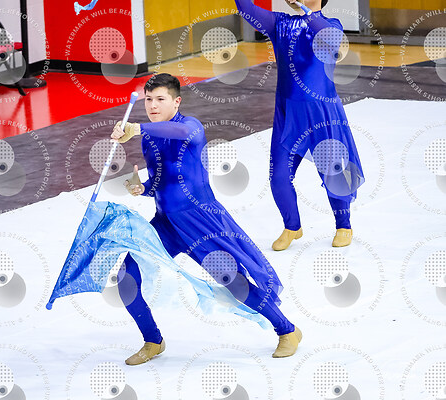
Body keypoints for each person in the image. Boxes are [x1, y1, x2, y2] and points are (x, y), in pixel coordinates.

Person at [111, 73, 301, 365]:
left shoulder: (191, 127)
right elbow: (162, 181)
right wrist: (143, 188)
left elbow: (179, 133)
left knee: (234, 283)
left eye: (160, 99)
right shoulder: (149, 138)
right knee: (126, 278)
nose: (152, 105)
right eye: (148, 99)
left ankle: (287, 330)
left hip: (201, 223)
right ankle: (153, 340)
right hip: (165, 224)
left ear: (177, 102)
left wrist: (137, 128)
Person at [235, 0, 364, 250]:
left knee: (334, 170)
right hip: (287, 113)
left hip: (322, 112)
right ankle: (292, 226)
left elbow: (326, 35)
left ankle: (344, 225)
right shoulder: (279, 23)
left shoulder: (332, 24)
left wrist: (305, 11)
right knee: (279, 176)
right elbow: (246, 9)